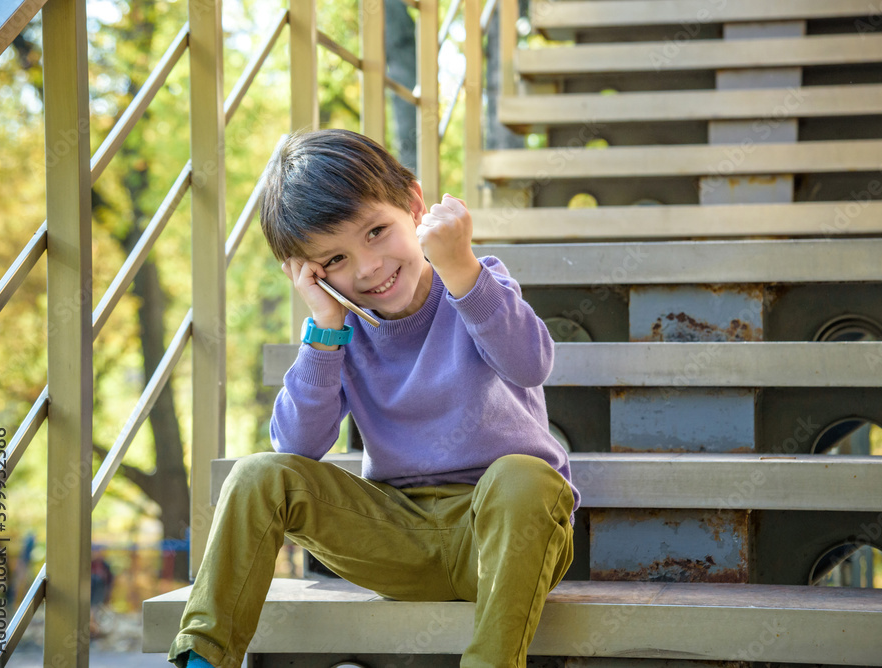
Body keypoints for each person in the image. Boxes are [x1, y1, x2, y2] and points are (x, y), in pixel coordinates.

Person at [167, 128, 580, 668]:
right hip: (397, 538)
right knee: (256, 474)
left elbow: (530, 364)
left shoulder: (479, 286)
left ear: (414, 205)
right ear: (310, 272)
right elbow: (296, 446)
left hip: (507, 533)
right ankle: (202, 657)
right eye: (334, 259)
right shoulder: (341, 335)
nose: (367, 268)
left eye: (377, 231)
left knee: (524, 477)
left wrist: (461, 269)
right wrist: (324, 326)